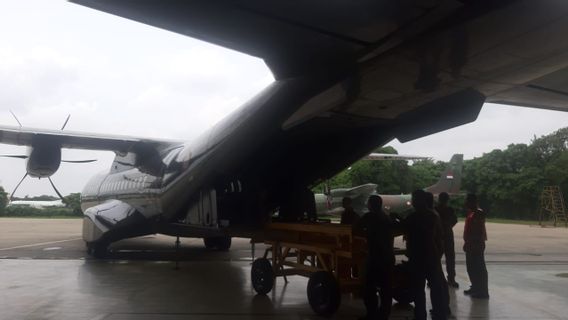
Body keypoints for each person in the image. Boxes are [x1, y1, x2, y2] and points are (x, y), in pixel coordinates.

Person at [403, 190, 447, 320]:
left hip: (419, 257)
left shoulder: (414, 217)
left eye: (414, 199)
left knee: (419, 289)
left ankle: (420, 315)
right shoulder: (433, 215)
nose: (412, 202)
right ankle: (440, 313)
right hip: (432, 256)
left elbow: (402, 226)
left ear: (419, 200)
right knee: (435, 287)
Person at [353, 195, 394, 320]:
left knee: (368, 287)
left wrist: (367, 235)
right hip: (388, 257)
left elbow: (355, 229)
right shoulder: (386, 217)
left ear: (371, 205)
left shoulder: (369, 216)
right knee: (386, 288)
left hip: (375, 257)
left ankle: (372, 314)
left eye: (368, 203)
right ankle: (384, 314)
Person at [463, 193, 489, 299]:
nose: (465, 203)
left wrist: (471, 242)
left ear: (472, 202)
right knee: (471, 267)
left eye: (467, 201)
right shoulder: (471, 213)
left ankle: (483, 291)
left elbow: (478, 232)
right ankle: (475, 287)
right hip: (471, 244)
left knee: (479, 268)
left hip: (476, 244)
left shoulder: (478, 213)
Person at [436, 192, 459, 288]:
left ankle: (436, 278)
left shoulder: (435, 209)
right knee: (450, 258)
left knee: (436, 258)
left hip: (438, 236)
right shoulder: (450, 210)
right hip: (448, 235)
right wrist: (448, 227)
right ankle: (451, 279)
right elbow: (455, 220)